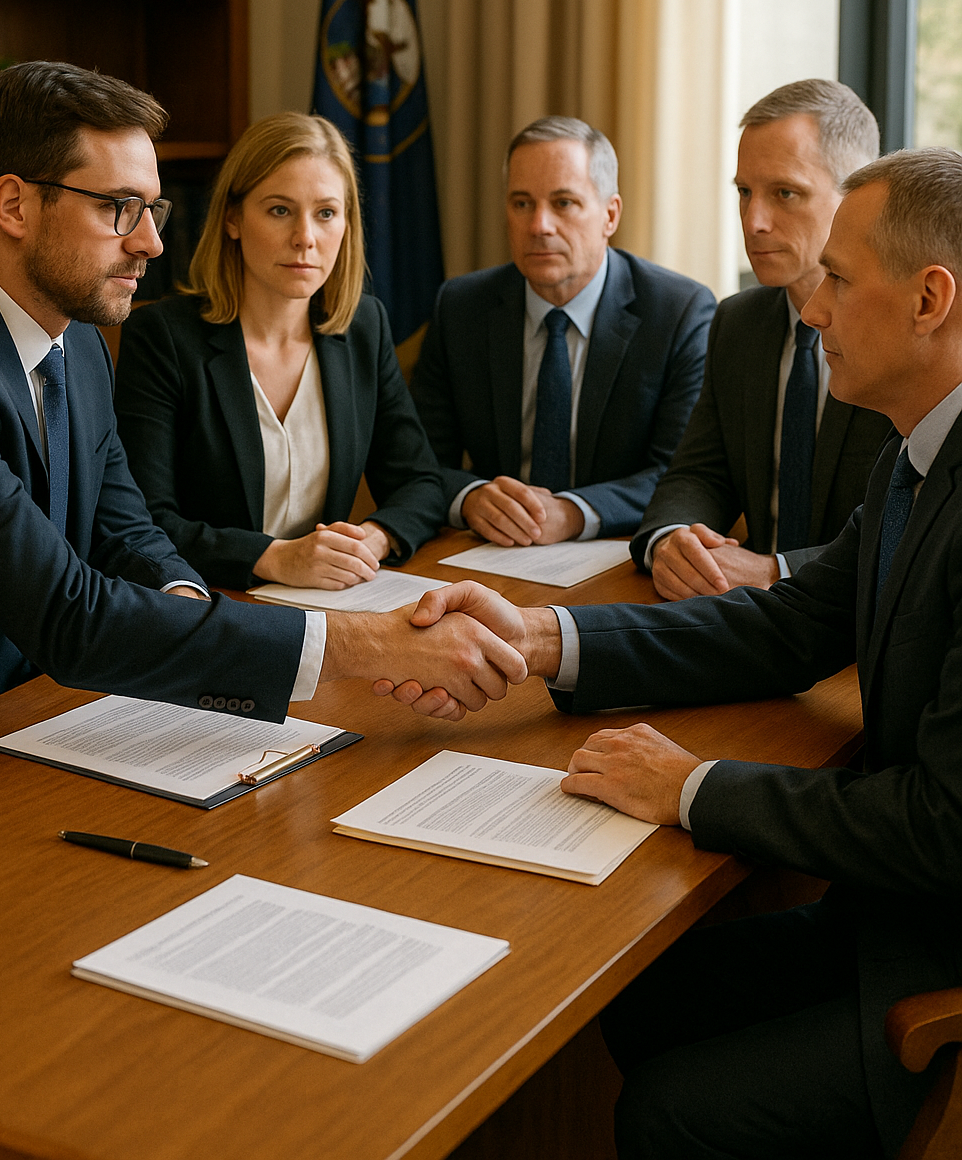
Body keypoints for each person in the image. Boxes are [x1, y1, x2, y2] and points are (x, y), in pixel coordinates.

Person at [397, 148, 962, 1158]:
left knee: (667, 1110)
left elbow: (941, 826)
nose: (812, 307)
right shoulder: (911, 455)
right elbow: (783, 627)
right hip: (886, 917)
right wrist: (537, 639)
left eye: (836, 278)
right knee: (639, 1001)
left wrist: (689, 787)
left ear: (930, 298)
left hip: (937, 958)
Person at [0, 61, 525, 725]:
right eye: (117, 208)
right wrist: (369, 644)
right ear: (14, 205)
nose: (152, 242)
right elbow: (69, 614)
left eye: (150, 209)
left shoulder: (80, 347)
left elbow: (125, 528)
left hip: (51, 711)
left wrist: (186, 605)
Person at [114, 113, 445, 592]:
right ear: (232, 218)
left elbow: (421, 483)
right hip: (209, 604)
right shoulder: (163, 337)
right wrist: (274, 558)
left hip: (331, 606)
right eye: (280, 210)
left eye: (326, 213)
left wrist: (370, 540)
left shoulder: (363, 327)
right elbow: (142, 521)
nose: (305, 238)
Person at [632, 79, 892, 599]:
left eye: (785, 193)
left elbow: (913, 531)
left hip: (860, 633)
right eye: (744, 192)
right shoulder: (738, 321)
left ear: (854, 196)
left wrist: (777, 570)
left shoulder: (903, 334)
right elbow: (700, 473)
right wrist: (671, 540)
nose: (754, 222)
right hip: (745, 617)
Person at [410, 117, 716, 546]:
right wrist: (469, 496)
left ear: (610, 215)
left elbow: (681, 474)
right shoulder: (461, 307)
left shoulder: (679, 312)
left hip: (614, 555)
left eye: (564, 203)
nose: (539, 226)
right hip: (489, 553)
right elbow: (417, 461)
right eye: (521, 204)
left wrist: (574, 513)